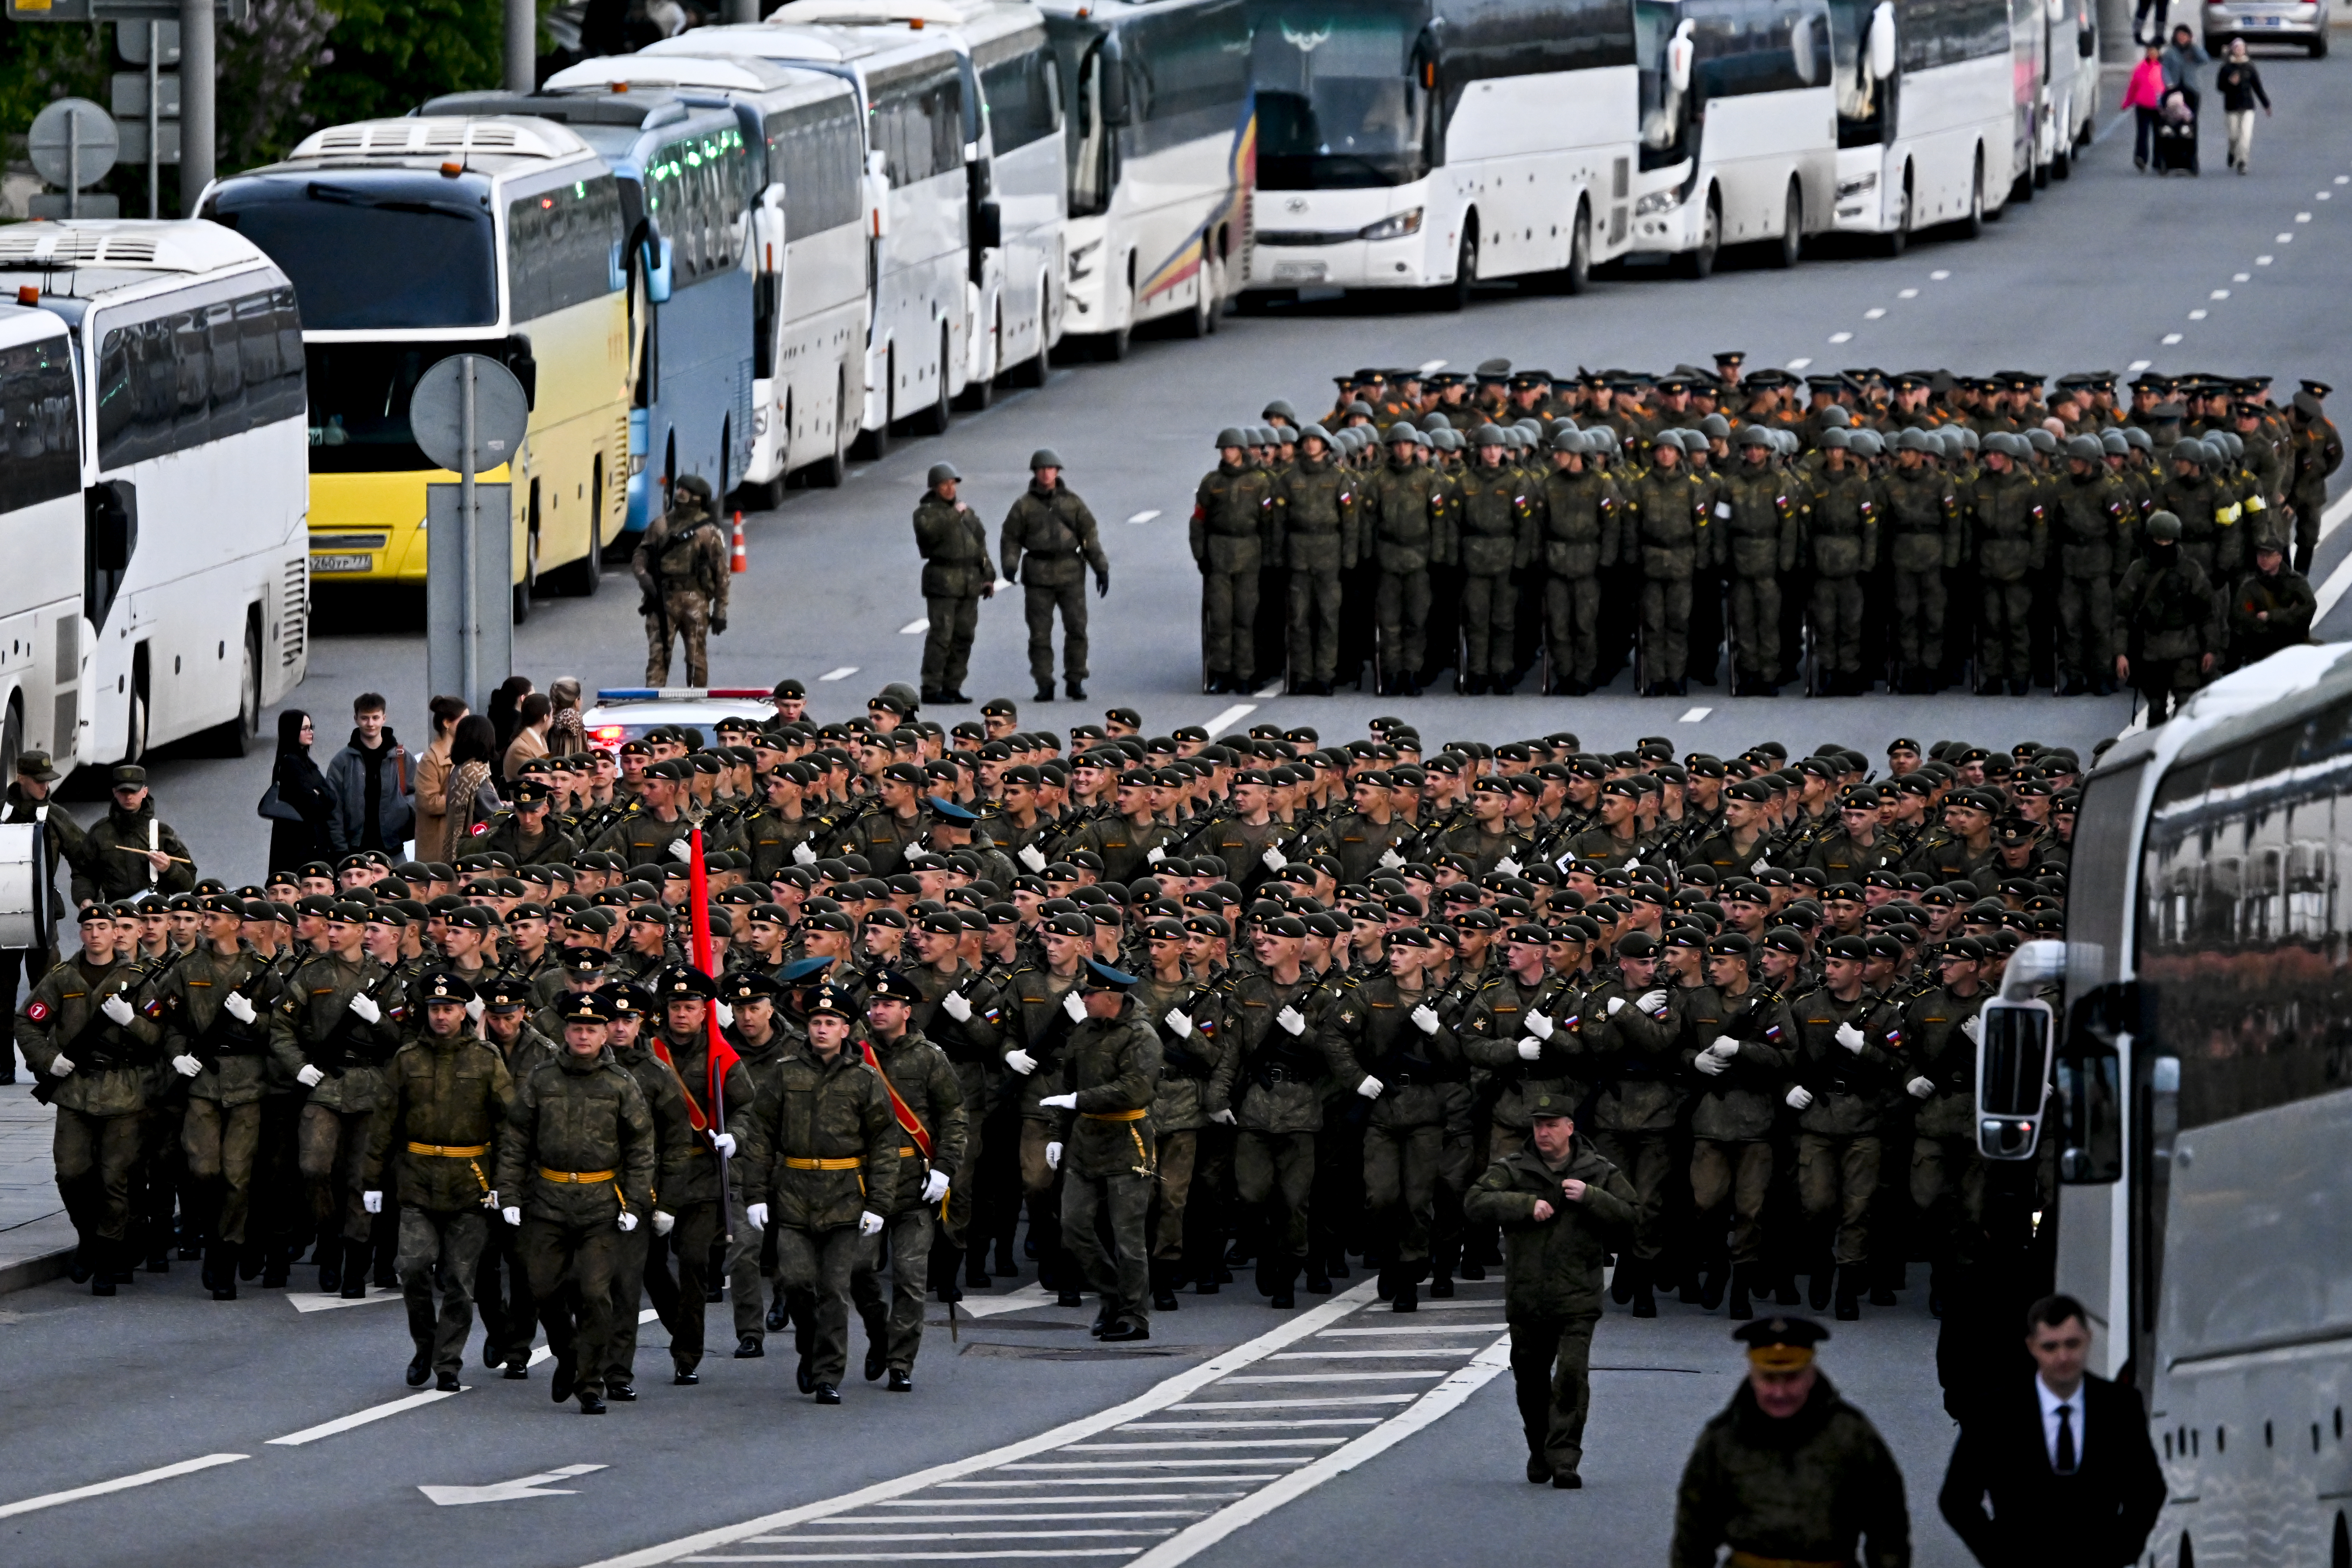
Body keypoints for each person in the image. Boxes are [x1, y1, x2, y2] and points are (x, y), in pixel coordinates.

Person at [495, 990, 657, 1415]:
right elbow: (516, 1141)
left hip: (601, 1205)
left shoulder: (622, 1084)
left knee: (594, 1292)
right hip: (547, 1202)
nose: (583, 1035)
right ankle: (568, 1355)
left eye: (591, 1029)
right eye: (576, 1028)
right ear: (565, 1031)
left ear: (606, 1034)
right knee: (542, 1287)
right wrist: (509, 1194)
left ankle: (590, 1383)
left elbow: (641, 1149)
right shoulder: (542, 1079)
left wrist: (636, 1204)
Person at [1464, 1093, 1636, 1488]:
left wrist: (1592, 1197)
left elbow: (1634, 1216)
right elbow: (1475, 1202)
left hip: (1578, 1294)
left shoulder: (1597, 1170)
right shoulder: (1514, 1167)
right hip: (1529, 1293)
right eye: (1539, 1125)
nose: (1543, 1132)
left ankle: (1564, 1459)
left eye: (1552, 1124)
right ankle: (1539, 1448)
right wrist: (1525, 1205)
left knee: (1571, 1377)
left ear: (1570, 1128)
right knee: (1531, 1378)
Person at [741, 981, 897, 1404]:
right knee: (796, 1283)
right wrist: (755, 1195)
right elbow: (760, 1135)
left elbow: (884, 1142)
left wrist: (880, 1203)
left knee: (833, 1289)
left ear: (846, 1030)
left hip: (846, 1195)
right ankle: (809, 1348)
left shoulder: (864, 1079)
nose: (822, 1030)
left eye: (831, 1023)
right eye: (816, 1022)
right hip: (794, 1194)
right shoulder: (786, 1073)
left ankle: (828, 1371)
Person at [363, 970, 517, 1392]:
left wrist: (506, 1184)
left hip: (471, 1182)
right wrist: (372, 1181)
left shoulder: (485, 1059)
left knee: (460, 1280)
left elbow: (508, 1125)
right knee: (411, 1268)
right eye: (435, 1009)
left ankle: (447, 1363)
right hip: (417, 1180)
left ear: (463, 1012)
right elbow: (384, 1123)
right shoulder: (407, 1059)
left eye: (449, 1009)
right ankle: (425, 1345)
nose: (441, 1017)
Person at [1938, 1294, 2165, 1568]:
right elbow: (1956, 1498)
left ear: (2088, 1340)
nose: (2063, 1358)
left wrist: (2121, 1550)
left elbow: (2148, 1490)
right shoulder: (1994, 1413)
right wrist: (1998, 1555)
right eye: (2050, 1347)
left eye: (2072, 1344)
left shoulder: (2120, 1407)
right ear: (2032, 1347)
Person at [1672, 1316, 1911, 1568]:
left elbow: (1888, 1530)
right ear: (1751, 1374)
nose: (1780, 1393)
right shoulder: (1723, 1439)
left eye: (1792, 1378)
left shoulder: (1851, 1435)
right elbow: (1692, 1535)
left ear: (1812, 1373)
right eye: (1768, 1378)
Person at [16, 904, 155, 1293]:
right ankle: (90, 1238)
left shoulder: (139, 978)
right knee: (72, 1173)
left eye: (103, 927)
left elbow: (162, 1034)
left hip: (123, 1091)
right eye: (88, 927)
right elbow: (28, 1021)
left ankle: (109, 1258)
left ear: (116, 934)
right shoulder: (62, 977)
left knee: (115, 1180)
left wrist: (133, 1021)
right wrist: (48, 1060)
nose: (95, 934)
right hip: (75, 1090)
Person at [1037, 959, 1161, 1341]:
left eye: (1089, 994)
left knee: (1128, 1239)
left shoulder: (1141, 1036)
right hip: (1085, 1144)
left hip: (1128, 1144)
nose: (1083, 999)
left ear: (1109, 997)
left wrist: (1078, 1101)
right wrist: (1059, 1133)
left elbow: (1135, 1089)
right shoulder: (1085, 1031)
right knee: (1073, 1227)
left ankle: (1134, 1317)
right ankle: (1112, 1296)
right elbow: (1068, 1082)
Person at [999, 449, 1109, 703]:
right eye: (1042, 469)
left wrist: (1101, 568)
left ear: (1057, 472)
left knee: (1077, 629)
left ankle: (1076, 679)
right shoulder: (1024, 506)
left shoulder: (1072, 503)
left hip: (1070, 572)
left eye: (1051, 468)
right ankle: (1044, 681)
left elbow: (1089, 536)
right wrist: (1010, 564)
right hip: (1038, 575)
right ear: (1035, 472)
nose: (1046, 473)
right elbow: (1011, 538)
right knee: (1040, 633)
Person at [2115, 510, 2221, 725]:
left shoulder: (2190, 570)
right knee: (2155, 710)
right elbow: (2121, 616)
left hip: (2186, 649)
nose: (2163, 545)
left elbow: (2207, 613)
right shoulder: (2139, 571)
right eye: (2158, 540)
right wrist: (2120, 654)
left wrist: (2210, 648)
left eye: (2168, 540)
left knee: (2185, 706)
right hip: (2151, 651)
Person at [634, 473, 732, 685]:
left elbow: (722, 574)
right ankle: (653, 705)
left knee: (696, 658)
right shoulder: (660, 526)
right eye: (679, 488)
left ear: (698, 498)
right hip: (662, 599)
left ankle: (697, 704)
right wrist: (645, 579)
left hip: (694, 599)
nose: (680, 493)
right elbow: (640, 556)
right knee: (658, 658)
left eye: (686, 491)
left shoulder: (708, 533)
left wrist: (720, 612)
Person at [912, 462, 993, 707]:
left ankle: (953, 686)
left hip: (970, 582)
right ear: (935, 487)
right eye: (944, 484)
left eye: (952, 484)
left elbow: (980, 545)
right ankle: (931, 687)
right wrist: (954, 514)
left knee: (964, 636)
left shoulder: (965, 512)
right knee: (941, 636)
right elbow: (930, 535)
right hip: (943, 582)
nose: (950, 488)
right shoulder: (926, 513)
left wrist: (988, 576)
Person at [69, 765, 196, 906]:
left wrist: (169, 868)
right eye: (123, 791)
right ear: (115, 792)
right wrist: (85, 898)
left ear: (144, 792)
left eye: (133, 791)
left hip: (153, 913)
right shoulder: (100, 833)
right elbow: (84, 874)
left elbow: (188, 884)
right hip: (117, 911)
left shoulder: (162, 833)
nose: (128, 797)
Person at [323, 693, 413, 858]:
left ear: (384, 718)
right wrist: (341, 848)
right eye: (365, 718)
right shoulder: (342, 761)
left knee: (399, 885)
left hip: (394, 848)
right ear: (356, 719)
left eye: (375, 717)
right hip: (355, 850)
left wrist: (404, 814)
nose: (371, 724)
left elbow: (418, 795)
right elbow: (333, 808)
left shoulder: (401, 757)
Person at [265, 712, 336, 874]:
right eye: (304, 728)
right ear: (292, 731)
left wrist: (321, 795)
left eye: (311, 727)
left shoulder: (304, 761)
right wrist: (320, 796)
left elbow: (332, 798)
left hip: (309, 841)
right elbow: (313, 804)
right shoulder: (291, 762)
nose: (311, 732)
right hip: (298, 845)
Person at [2230, 536, 2316, 667]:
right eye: (2261, 555)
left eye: (2269, 555)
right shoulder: (2249, 587)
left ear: (2279, 557)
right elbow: (2245, 619)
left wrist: (2272, 616)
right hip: (2262, 653)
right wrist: (2283, 627)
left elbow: (2308, 609)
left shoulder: (2295, 582)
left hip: (2294, 650)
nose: (2264, 559)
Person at [438, 714, 504, 862]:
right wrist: (510, 811)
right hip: (477, 852)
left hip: (458, 847)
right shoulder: (476, 773)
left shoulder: (460, 769)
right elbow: (494, 816)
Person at [412, 695, 469, 864]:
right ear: (447, 723)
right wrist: (465, 800)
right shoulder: (431, 759)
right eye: (463, 720)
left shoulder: (465, 754)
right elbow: (428, 801)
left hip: (459, 840)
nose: (468, 725)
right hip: (437, 844)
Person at [2215, 40, 2271, 174]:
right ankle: (2233, 151)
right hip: (2231, 107)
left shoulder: (2250, 67)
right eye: (2236, 48)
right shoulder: (2226, 68)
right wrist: (2229, 83)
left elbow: (2258, 87)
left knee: (2245, 135)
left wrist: (2266, 104)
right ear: (2232, 50)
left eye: (2241, 48)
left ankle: (2242, 161)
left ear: (2245, 50)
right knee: (2234, 136)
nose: (2239, 50)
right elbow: (2220, 87)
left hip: (2248, 106)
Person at [2123, 43, 2166, 171]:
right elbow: (2133, 87)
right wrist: (2127, 103)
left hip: (2159, 106)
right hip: (2143, 105)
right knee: (2142, 133)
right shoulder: (2140, 68)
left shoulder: (2164, 68)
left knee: (2159, 134)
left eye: (2154, 52)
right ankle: (2141, 158)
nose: (2152, 54)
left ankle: (2158, 161)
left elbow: (2170, 86)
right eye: (2149, 51)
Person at [502, 691, 553, 779]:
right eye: (552, 714)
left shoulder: (541, 739)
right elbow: (539, 778)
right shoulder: (520, 748)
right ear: (545, 717)